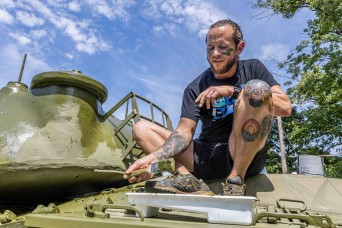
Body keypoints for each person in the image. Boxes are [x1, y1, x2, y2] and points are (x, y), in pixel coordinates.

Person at [124, 19, 292, 196]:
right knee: (141, 128)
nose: (215, 54)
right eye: (210, 48)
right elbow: (184, 133)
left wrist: (232, 91)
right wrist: (154, 157)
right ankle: (187, 180)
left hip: (242, 154)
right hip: (204, 156)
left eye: (222, 47)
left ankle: (235, 180)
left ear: (239, 48)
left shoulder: (253, 68)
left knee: (256, 89)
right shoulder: (195, 87)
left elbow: (285, 107)